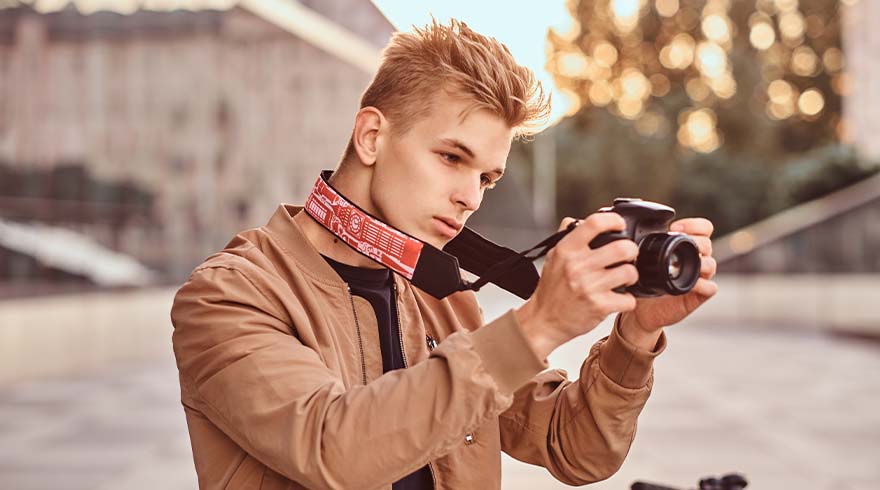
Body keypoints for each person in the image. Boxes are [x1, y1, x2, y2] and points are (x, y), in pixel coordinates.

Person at [170, 18, 718, 490]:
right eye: (452, 158)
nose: (471, 197)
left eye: (487, 178)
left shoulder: (443, 299)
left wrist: (637, 334)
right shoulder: (230, 294)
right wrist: (539, 324)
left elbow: (573, 448)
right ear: (371, 136)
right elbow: (332, 448)